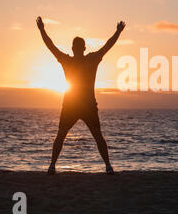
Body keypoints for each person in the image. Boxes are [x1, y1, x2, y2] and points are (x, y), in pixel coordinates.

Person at [36, 16, 126, 175]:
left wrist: (42, 30)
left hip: (75, 105)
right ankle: (108, 167)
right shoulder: (91, 59)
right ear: (83, 48)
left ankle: (52, 166)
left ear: (73, 48)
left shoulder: (69, 60)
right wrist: (117, 32)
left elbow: (51, 46)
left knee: (62, 135)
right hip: (84, 105)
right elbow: (108, 46)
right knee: (96, 136)